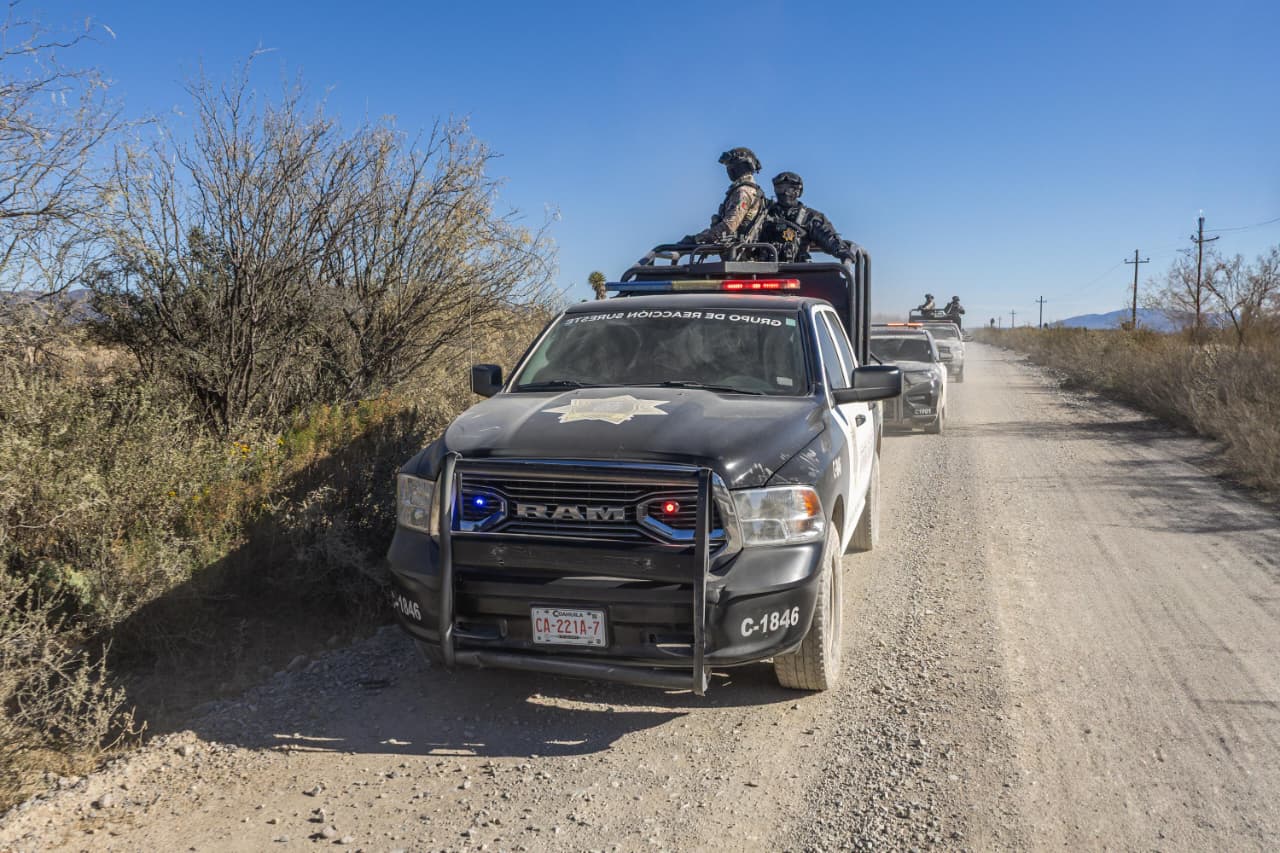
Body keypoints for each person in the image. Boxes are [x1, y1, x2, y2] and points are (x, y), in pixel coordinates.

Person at [759, 172, 857, 263]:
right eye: (780, 188)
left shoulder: (809, 217)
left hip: (798, 269)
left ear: (798, 192)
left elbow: (827, 236)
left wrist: (841, 250)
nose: (785, 193)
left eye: (790, 189)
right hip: (762, 269)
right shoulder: (764, 213)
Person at [682, 147, 768, 251]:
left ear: (740, 166)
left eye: (730, 165)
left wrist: (697, 239)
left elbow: (728, 227)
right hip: (737, 252)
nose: (728, 169)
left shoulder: (743, 192)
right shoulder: (750, 190)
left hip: (739, 254)